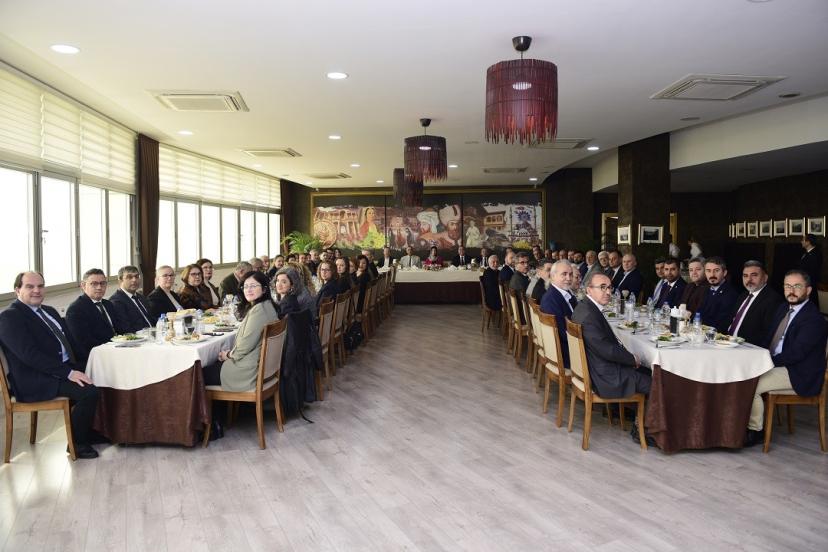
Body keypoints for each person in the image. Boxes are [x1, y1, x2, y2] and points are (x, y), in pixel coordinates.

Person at [0, 272, 100, 459]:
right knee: (89, 391)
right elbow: (30, 356)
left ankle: (89, 430)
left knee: (104, 374)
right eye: (30, 286)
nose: (36, 290)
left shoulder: (49, 311)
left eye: (40, 286)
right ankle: (77, 444)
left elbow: (70, 343)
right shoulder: (9, 317)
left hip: (59, 368)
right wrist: (69, 373)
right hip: (35, 379)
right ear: (17, 290)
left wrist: (92, 360)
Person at [744, 270, 828, 447]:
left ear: (808, 290)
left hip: (799, 372)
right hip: (779, 364)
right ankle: (737, 425)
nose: (792, 291)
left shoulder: (813, 319)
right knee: (742, 373)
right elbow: (769, 337)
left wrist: (766, 363)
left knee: (751, 384)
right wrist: (753, 353)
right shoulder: (783, 308)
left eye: (797, 286)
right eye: (788, 286)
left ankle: (756, 431)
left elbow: (796, 353)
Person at [203, 270, 279, 437]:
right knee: (211, 366)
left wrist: (228, 355)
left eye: (253, 286)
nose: (248, 290)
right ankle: (219, 419)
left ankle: (212, 426)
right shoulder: (267, 306)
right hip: (260, 368)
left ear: (264, 289)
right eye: (245, 286)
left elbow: (244, 347)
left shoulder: (259, 312)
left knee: (199, 373)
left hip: (246, 371)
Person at [572, 272, 651, 399]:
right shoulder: (589, 316)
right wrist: (632, 359)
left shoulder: (583, 306)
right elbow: (607, 350)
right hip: (605, 377)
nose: (608, 292)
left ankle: (631, 409)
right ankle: (642, 412)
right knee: (656, 384)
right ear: (589, 290)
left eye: (609, 287)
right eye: (602, 287)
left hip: (598, 367)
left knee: (649, 371)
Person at [66, 268, 125, 363]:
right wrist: (114, 348)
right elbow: (84, 342)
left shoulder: (108, 304)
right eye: (94, 284)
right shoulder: (76, 310)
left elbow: (120, 329)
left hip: (117, 350)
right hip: (95, 357)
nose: (99, 287)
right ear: (83, 285)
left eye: (102, 283)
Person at [727, 260, 784, 346]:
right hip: (727, 342)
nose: (749, 279)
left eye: (754, 275)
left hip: (747, 347)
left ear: (765, 277)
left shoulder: (773, 300)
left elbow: (767, 334)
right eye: (745, 276)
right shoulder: (743, 295)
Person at [540, 260, 578, 368]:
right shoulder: (550, 300)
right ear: (553, 276)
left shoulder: (565, 293)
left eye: (571, 274)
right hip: (566, 354)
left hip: (568, 345)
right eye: (564, 274)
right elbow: (563, 334)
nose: (569, 278)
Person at [697, 256, 738, 332]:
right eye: (708, 271)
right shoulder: (705, 289)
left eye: (716, 270)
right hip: (701, 332)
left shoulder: (730, 294)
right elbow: (698, 313)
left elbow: (722, 324)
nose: (712, 274)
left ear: (724, 273)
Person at [109, 265, 153, 331]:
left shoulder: (141, 297)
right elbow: (125, 329)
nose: (134, 280)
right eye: (129, 277)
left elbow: (151, 318)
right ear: (120, 280)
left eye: (136, 276)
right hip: (137, 336)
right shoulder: (116, 301)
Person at [799, 234, 822, 309]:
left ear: (808, 242)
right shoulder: (806, 253)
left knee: (811, 304)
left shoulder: (815, 254)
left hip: (809, 283)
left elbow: (812, 272)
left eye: (803, 240)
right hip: (804, 282)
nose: (801, 242)